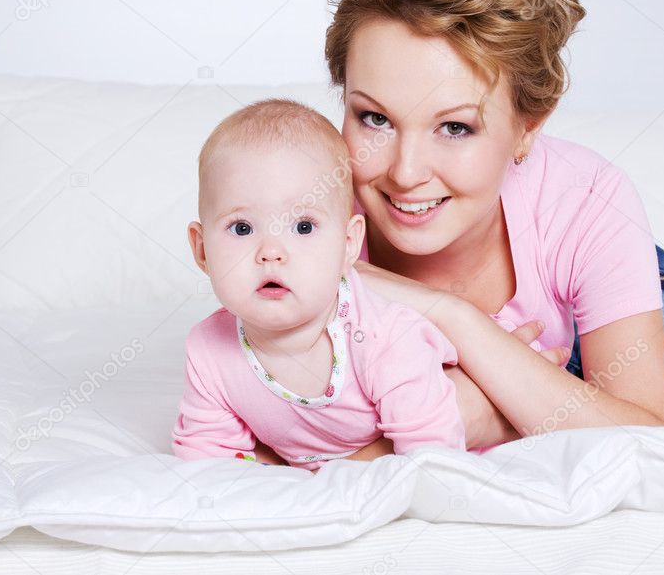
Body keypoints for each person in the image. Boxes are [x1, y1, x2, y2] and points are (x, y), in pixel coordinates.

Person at [306, 0, 664, 461]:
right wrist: (475, 413)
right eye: (374, 119)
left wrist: (452, 318)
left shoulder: (582, 199)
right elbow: (278, 448)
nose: (406, 172)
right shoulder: (298, 213)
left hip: (592, 283)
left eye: (456, 127)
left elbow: (658, 442)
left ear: (528, 125)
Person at [171, 99, 513, 471]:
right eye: (242, 228)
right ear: (202, 250)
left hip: (460, 418)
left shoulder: (387, 338)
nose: (270, 252)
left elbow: (430, 459)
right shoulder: (208, 351)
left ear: (348, 244)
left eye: (303, 227)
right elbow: (209, 463)